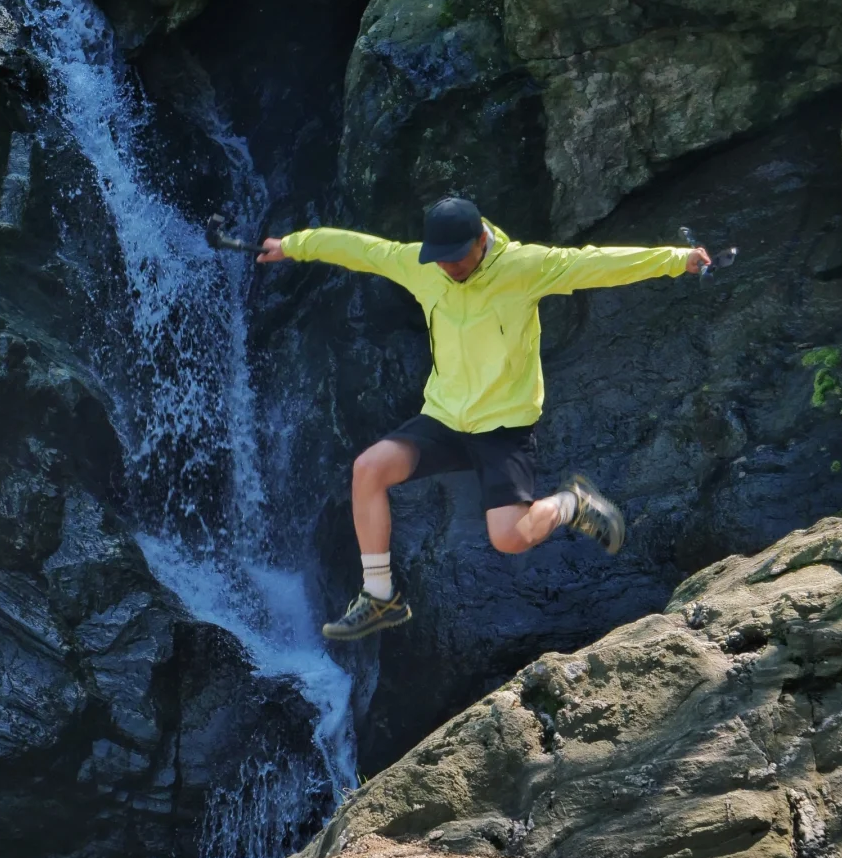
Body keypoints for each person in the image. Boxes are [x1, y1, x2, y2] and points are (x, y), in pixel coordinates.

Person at [257, 197, 710, 643]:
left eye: (457, 258)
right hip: (444, 416)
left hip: (503, 425)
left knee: (510, 538)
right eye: (441, 260)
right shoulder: (419, 264)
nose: (449, 268)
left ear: (482, 240)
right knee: (368, 469)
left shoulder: (524, 267)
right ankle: (380, 597)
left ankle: (573, 503)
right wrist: (293, 245)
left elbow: (596, 264)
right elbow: (357, 248)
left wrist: (677, 260)